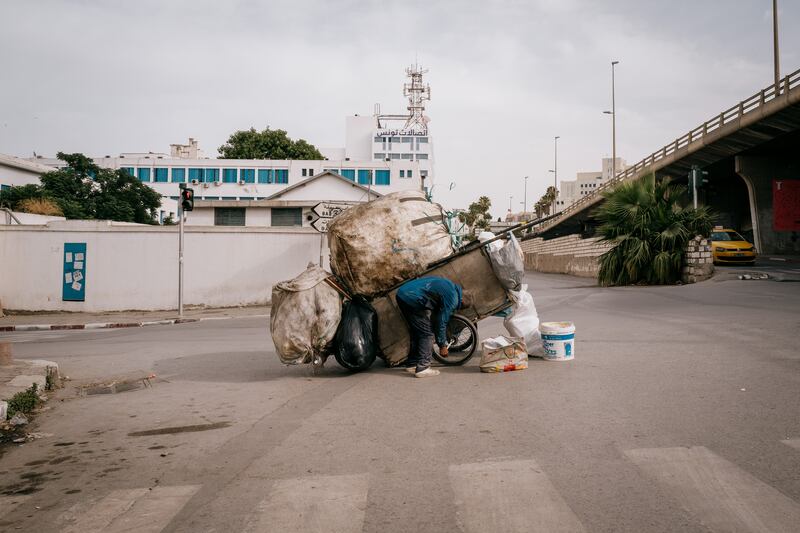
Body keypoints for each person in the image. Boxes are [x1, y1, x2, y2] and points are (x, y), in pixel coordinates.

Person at [395, 276, 473, 378]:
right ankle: (423, 368)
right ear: (461, 301)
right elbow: (441, 321)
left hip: (403, 294)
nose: (456, 309)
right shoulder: (453, 299)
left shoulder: (450, 285)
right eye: (459, 307)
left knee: (417, 331)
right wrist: (442, 345)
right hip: (411, 298)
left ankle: (412, 363)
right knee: (427, 334)